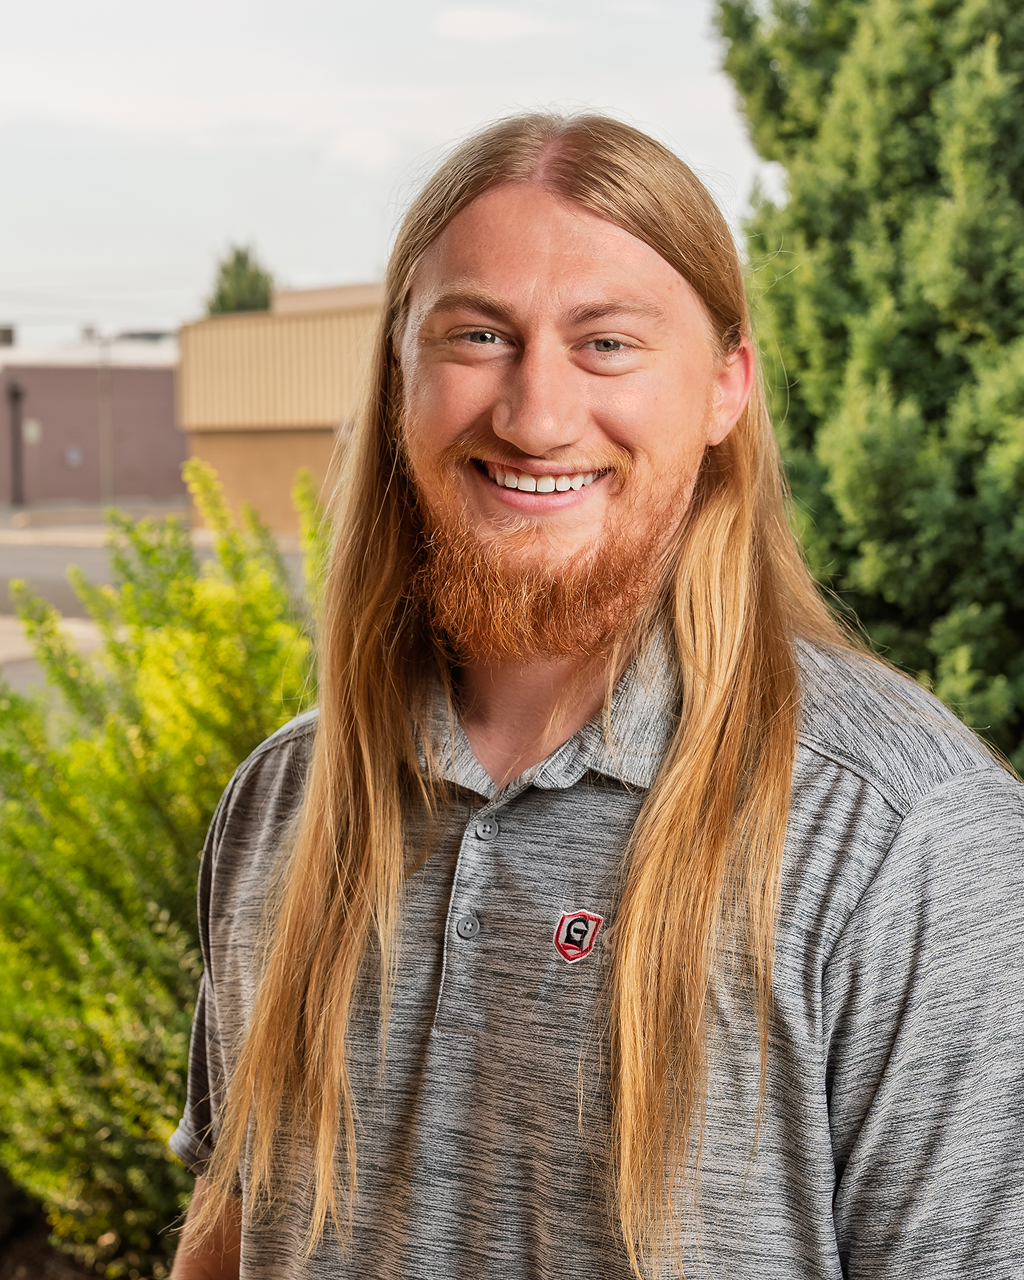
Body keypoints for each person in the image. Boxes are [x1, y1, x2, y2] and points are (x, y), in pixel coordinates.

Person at [168, 113, 1024, 1279]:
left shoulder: (902, 840)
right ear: (398, 371)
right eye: (478, 335)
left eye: (607, 343)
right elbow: (232, 1234)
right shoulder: (285, 798)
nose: (534, 415)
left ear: (725, 388)